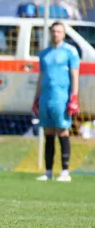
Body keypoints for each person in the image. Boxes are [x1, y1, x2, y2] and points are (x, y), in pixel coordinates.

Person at [33, 21, 80, 182]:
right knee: (48, 133)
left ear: (64, 34)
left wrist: (74, 97)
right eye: (53, 31)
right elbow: (41, 77)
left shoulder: (70, 52)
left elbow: (74, 75)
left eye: (59, 31)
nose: (56, 34)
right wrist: (36, 98)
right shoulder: (44, 53)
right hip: (46, 97)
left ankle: (65, 172)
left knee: (62, 131)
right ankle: (48, 172)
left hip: (62, 98)